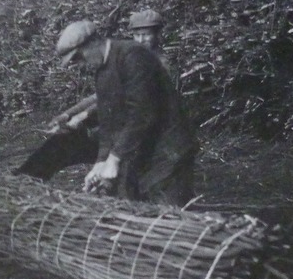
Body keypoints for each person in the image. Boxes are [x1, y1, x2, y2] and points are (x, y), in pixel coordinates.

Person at [53, 18, 198, 206]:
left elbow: (142, 113)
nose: (80, 64)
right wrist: (100, 163)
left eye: (79, 57)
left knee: (170, 213)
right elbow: (108, 123)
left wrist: (114, 159)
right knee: (135, 205)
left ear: (93, 43)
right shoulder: (102, 73)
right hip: (143, 148)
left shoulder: (133, 55)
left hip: (169, 147)